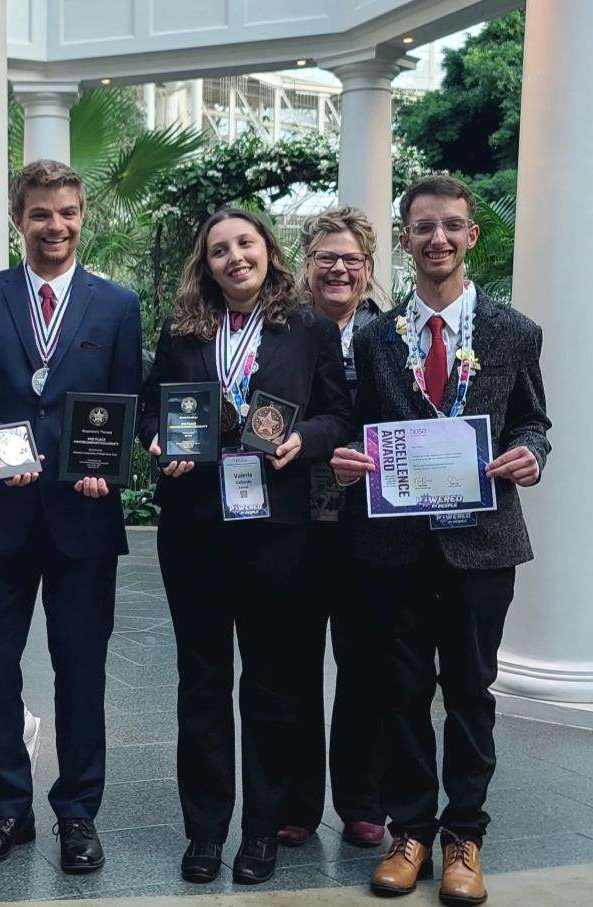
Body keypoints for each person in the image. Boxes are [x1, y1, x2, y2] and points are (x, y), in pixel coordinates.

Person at [331, 175, 550, 905]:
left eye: (451, 226)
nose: (438, 239)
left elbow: (530, 420)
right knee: (398, 692)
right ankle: (410, 829)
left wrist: (530, 453)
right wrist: (346, 455)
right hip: (394, 546)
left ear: (470, 235)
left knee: (468, 691)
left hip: (480, 546)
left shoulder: (512, 330)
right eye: (423, 227)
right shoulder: (372, 336)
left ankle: (464, 834)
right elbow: (355, 425)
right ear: (405, 238)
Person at [138, 208, 351, 885]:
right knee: (200, 682)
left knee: (271, 683)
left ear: (267, 250)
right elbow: (151, 407)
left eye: (244, 244)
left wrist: (305, 440)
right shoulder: (181, 330)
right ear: (205, 264)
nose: (234, 257)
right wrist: (155, 441)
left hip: (275, 528)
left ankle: (260, 828)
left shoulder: (309, 327)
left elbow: (340, 412)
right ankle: (204, 830)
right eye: (219, 250)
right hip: (195, 526)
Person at [0, 159, 142, 874]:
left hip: (82, 517)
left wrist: (104, 463)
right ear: (16, 218)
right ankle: (7, 810)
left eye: (67, 212)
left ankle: (77, 811)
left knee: (81, 669)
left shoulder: (116, 304)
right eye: (40, 214)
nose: (54, 225)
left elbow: (125, 402)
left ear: (82, 214)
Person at [277, 206, 386, 850]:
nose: (338, 268)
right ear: (306, 265)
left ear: (369, 268)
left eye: (351, 259)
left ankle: (363, 801)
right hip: (294, 522)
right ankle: (295, 802)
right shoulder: (280, 330)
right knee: (291, 664)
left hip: (372, 530)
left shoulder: (392, 335)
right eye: (326, 257)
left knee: (366, 665)